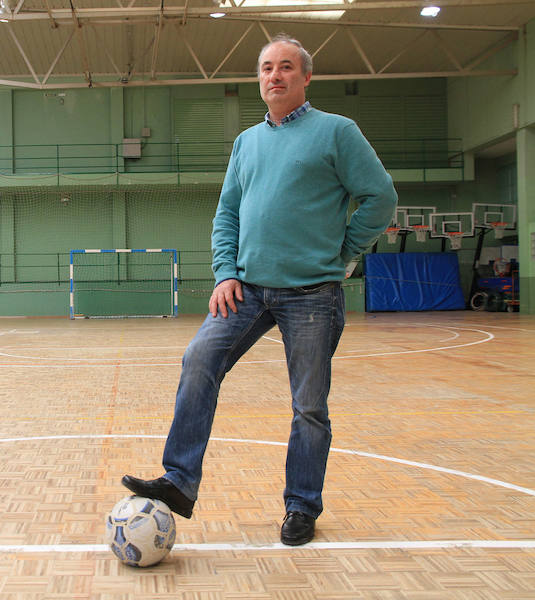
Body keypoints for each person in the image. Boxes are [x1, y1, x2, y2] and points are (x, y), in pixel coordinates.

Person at [122, 34, 398, 546]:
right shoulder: (246, 142)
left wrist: (343, 252)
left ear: (305, 77)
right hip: (246, 288)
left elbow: (381, 197)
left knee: (308, 405)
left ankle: (302, 506)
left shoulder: (337, 132)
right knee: (199, 359)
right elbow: (227, 212)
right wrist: (225, 271)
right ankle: (180, 481)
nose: (275, 75)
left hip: (313, 292)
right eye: (267, 67)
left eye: (287, 67)